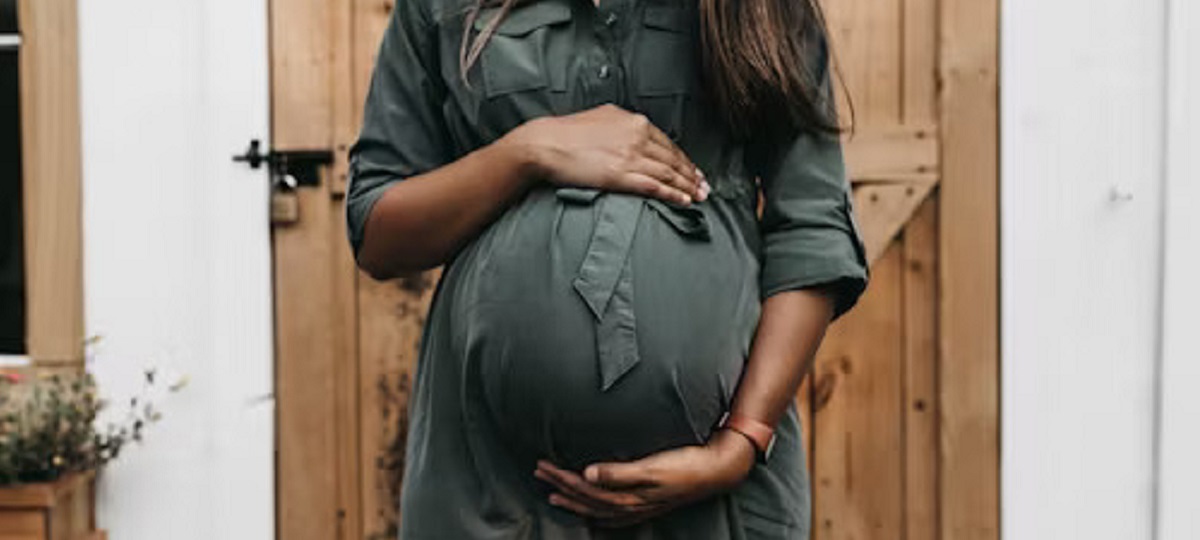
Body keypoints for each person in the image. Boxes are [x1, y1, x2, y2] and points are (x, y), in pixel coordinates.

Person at [344, 0, 869, 536]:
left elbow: (812, 228)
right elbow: (379, 235)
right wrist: (527, 151)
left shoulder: (761, 8)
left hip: (715, 501)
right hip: (493, 489)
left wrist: (740, 442)